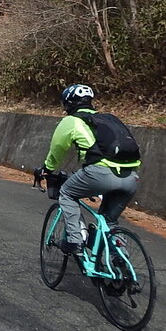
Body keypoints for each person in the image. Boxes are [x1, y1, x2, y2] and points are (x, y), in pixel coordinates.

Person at [38, 84, 141, 255]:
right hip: (131, 178)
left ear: (67, 103)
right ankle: (121, 261)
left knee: (67, 193)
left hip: (100, 174)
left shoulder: (71, 121)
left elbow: (58, 149)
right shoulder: (108, 119)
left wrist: (47, 169)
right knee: (109, 222)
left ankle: (75, 240)